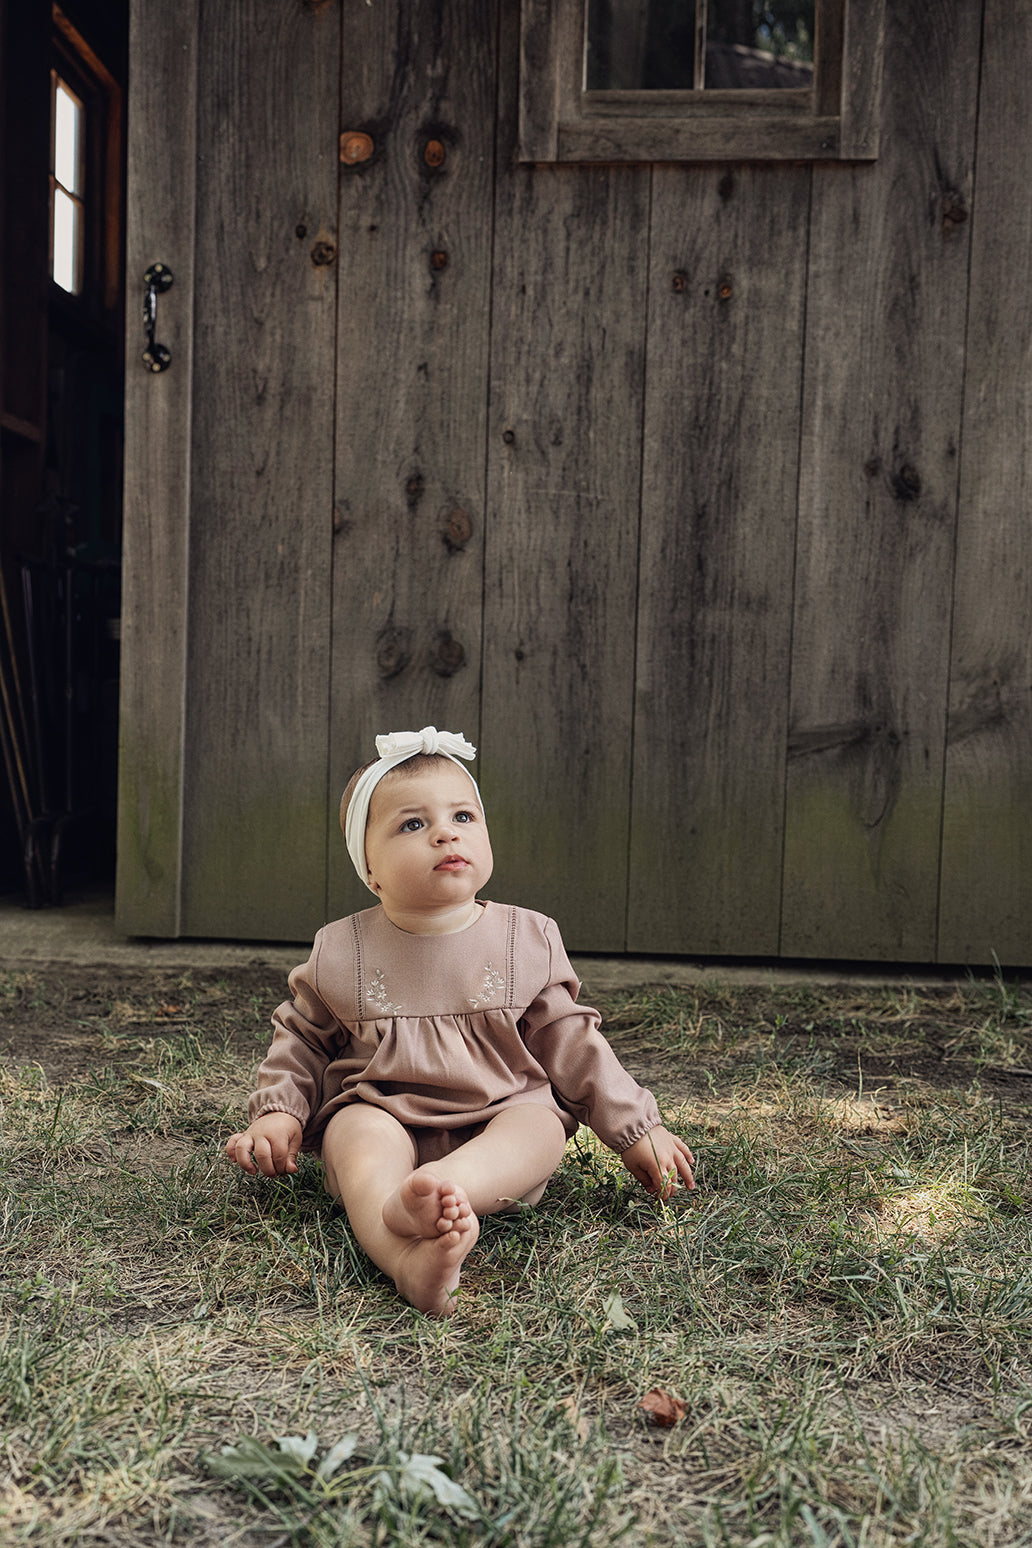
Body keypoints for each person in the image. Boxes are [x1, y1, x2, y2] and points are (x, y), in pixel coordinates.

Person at [225, 727, 695, 1316]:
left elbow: (574, 1043)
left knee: (539, 1127)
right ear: (369, 869)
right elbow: (300, 1039)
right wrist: (278, 1111)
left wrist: (633, 1129)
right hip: (384, 1109)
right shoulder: (343, 950)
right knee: (355, 1132)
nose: (446, 832)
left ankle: (435, 1193)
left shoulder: (527, 939)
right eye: (412, 825)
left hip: (498, 1119)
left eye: (464, 816)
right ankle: (403, 1256)